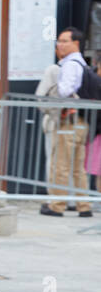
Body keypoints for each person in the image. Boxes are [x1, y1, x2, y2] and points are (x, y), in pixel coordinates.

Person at [41, 27, 93, 217]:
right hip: (80, 121)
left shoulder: (71, 65)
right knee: (78, 167)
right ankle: (84, 205)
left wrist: (53, 87)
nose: (59, 45)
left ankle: (57, 205)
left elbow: (64, 91)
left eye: (64, 41)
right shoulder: (81, 64)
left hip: (69, 120)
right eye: (59, 41)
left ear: (76, 43)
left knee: (60, 164)